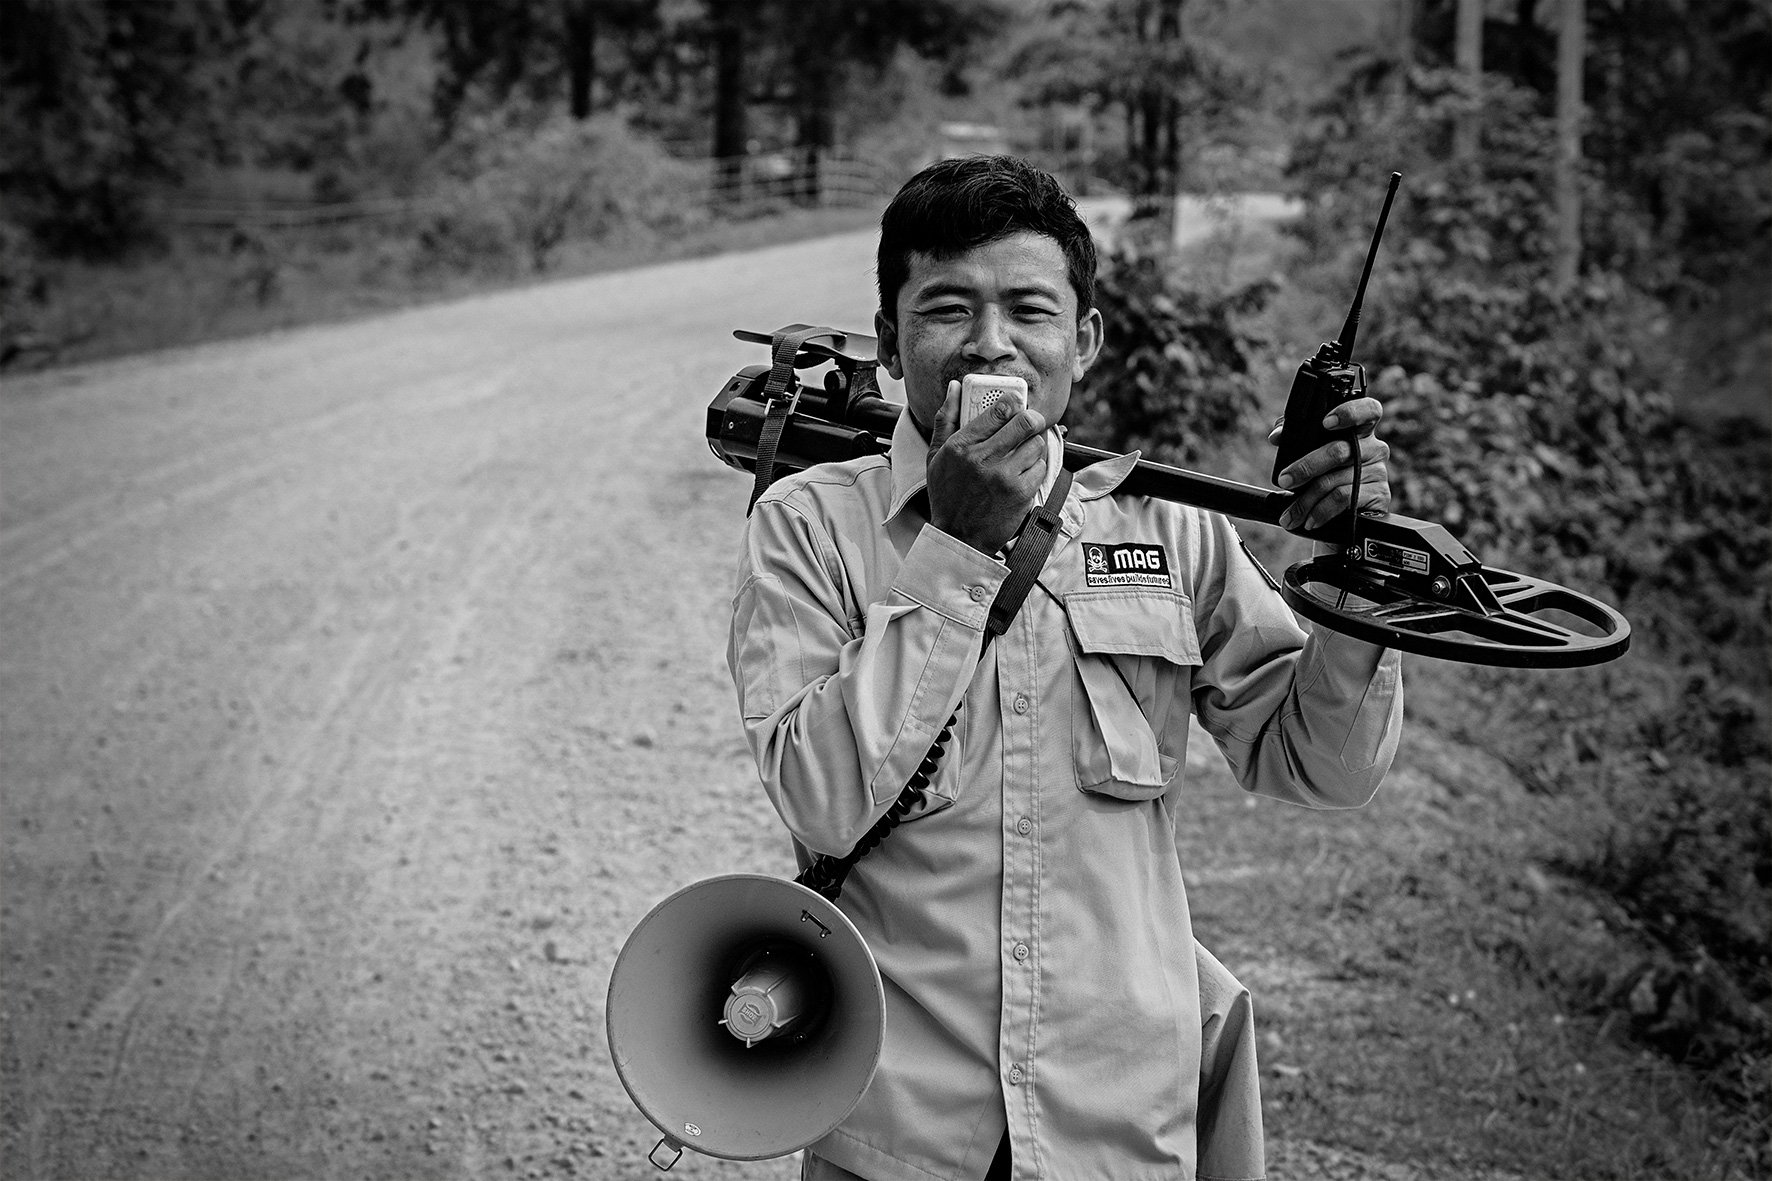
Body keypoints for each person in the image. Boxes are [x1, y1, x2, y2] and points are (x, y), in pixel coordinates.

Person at [725, 155, 1403, 1181]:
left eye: (1028, 309)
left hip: (1120, 1122)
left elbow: (1319, 764)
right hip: (895, 1128)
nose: (989, 342)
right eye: (946, 307)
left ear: (1079, 343)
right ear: (891, 344)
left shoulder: (1166, 527)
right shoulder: (810, 525)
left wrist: (1355, 577)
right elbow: (821, 799)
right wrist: (952, 549)